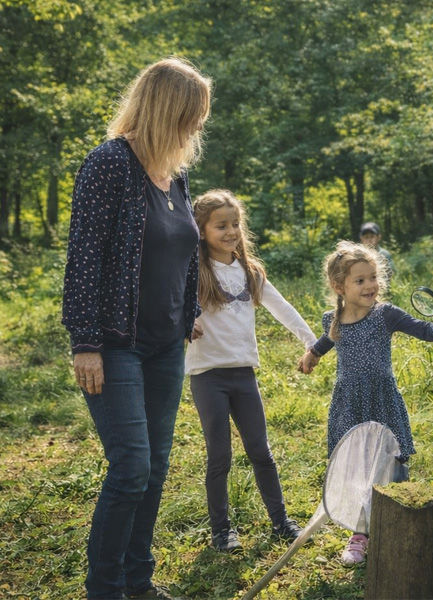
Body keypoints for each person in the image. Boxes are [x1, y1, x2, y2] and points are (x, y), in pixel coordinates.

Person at [61, 57, 211, 600]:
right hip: (114, 344)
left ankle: (138, 582)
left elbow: (184, 248)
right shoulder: (109, 165)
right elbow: (85, 258)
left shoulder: (176, 175)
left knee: (156, 466)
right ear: (168, 109)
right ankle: (104, 590)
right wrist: (86, 343)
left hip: (167, 343)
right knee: (131, 466)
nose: (198, 126)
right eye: (193, 115)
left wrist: (189, 309)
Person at [297, 241, 433, 564]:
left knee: (388, 463)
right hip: (350, 404)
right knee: (357, 467)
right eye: (361, 280)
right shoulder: (335, 318)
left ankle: (398, 522)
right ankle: (360, 533)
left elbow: (425, 330)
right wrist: (312, 354)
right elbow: (328, 340)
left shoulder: (386, 314)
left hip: (381, 400)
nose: (371, 285)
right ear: (339, 286)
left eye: (373, 277)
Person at [186, 190, 315, 553]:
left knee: (261, 450)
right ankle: (221, 530)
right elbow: (171, 307)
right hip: (207, 376)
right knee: (220, 455)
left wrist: (312, 342)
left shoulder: (249, 271)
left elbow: (282, 307)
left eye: (235, 224)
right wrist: (186, 321)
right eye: (221, 226)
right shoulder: (194, 272)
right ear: (201, 230)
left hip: (244, 375)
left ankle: (281, 521)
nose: (231, 232)